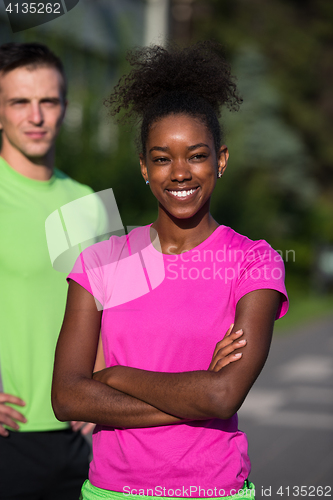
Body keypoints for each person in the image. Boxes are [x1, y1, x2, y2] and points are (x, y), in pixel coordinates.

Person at [52, 42, 289, 500]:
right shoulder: (100, 261)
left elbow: (223, 397)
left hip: (214, 489)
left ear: (220, 159)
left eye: (196, 155)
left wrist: (114, 377)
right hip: (111, 492)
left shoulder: (254, 261)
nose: (179, 172)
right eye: (162, 158)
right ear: (144, 167)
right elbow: (67, 398)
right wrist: (196, 393)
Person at [0, 42, 97, 500]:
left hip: (88, 439)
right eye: (20, 101)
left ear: (64, 108)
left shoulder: (91, 203)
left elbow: (124, 314)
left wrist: (104, 389)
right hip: (9, 441)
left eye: (48, 101)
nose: (35, 117)